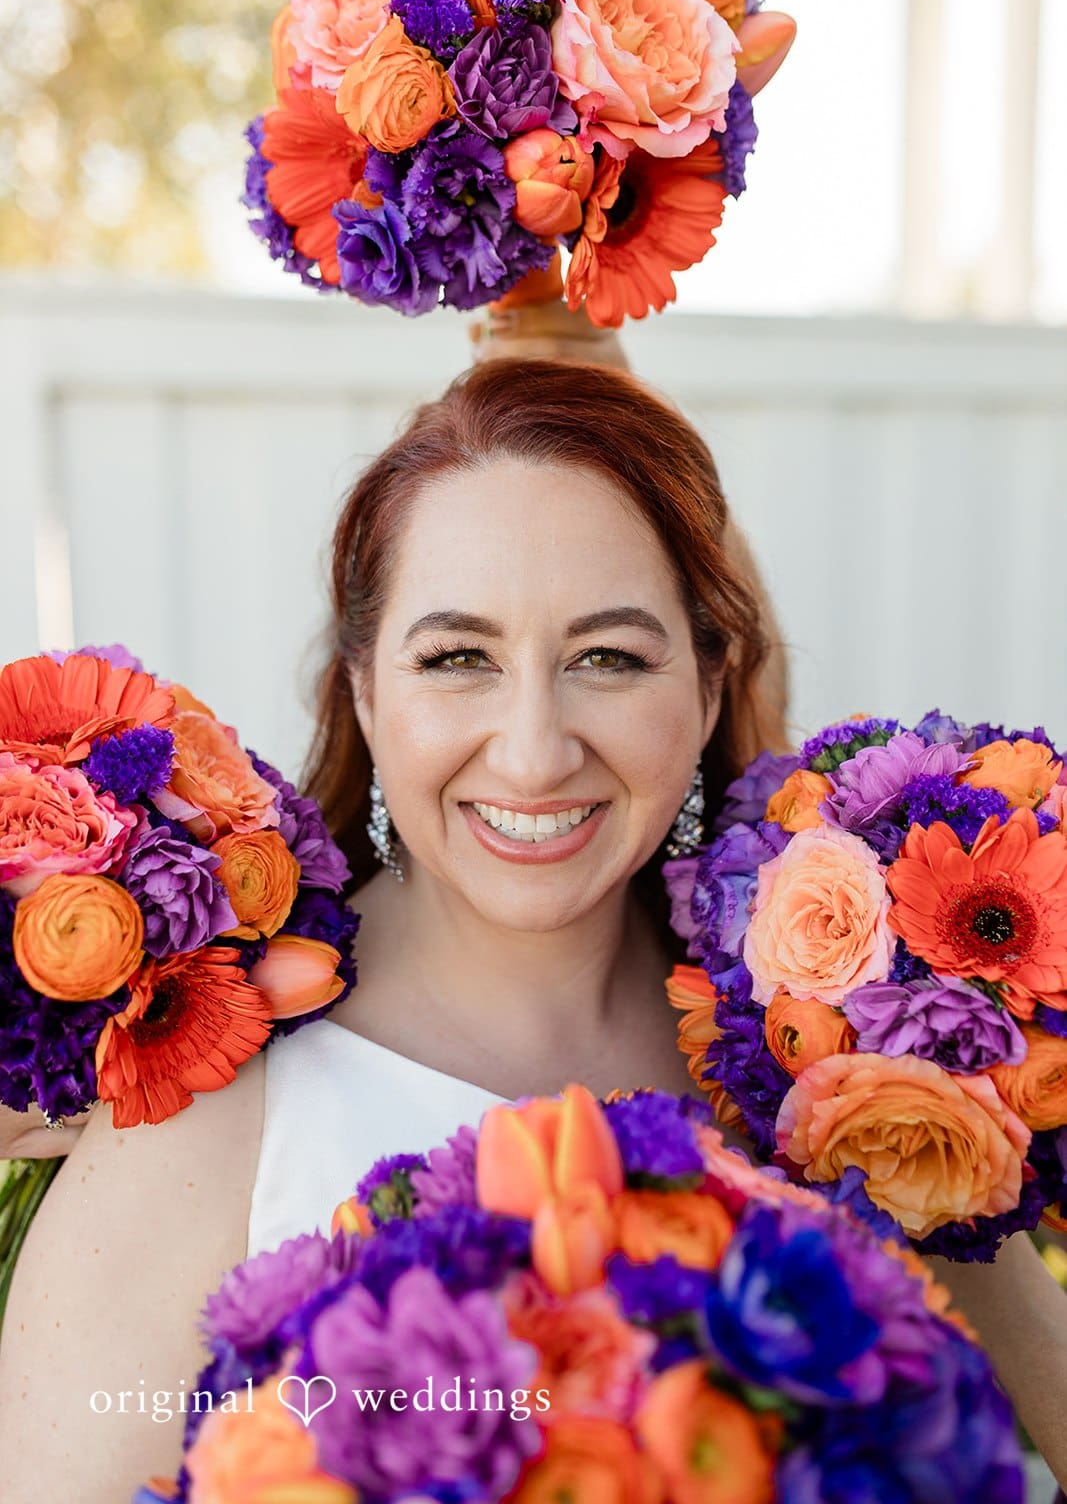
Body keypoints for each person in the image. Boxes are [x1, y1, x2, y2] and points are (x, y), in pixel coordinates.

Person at [3, 358, 1066, 1498]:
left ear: (708, 685)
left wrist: (956, 1150)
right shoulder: (211, 1103)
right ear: (365, 689)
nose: (531, 749)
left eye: (606, 657)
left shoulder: (835, 1075)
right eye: (457, 657)